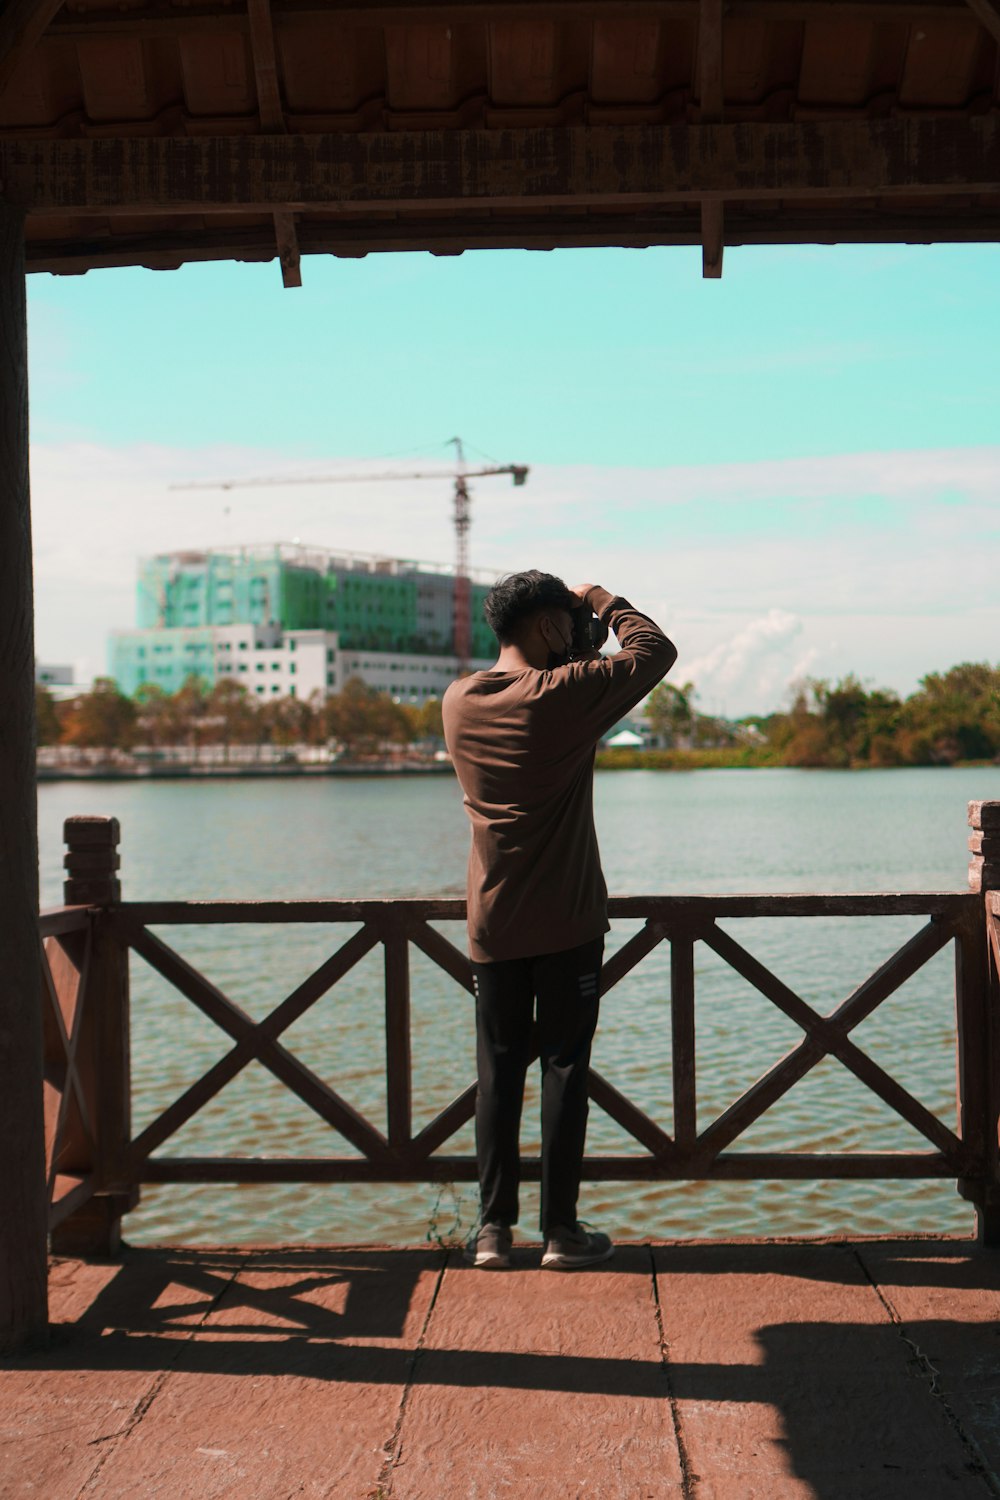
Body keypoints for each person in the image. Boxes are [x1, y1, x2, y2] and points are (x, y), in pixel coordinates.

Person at [442, 571, 677, 1270]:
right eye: (566, 623)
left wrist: (574, 643)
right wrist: (604, 602)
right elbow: (655, 652)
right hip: (569, 921)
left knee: (498, 1073)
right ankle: (561, 1233)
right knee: (564, 1070)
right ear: (547, 626)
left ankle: (492, 1232)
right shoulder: (567, 694)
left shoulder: (460, 700)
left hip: (493, 920)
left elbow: (544, 695)